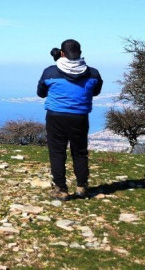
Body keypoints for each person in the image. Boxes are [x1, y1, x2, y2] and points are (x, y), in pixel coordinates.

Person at [37, 39, 103, 200]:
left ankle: (61, 189)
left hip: (56, 117)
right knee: (80, 152)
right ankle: (82, 187)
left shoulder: (50, 72)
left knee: (57, 152)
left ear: (62, 53)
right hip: (80, 117)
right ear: (80, 53)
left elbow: (41, 93)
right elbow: (95, 92)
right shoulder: (93, 73)